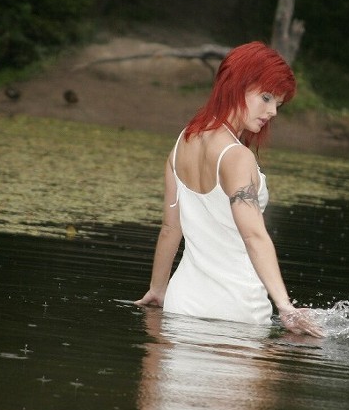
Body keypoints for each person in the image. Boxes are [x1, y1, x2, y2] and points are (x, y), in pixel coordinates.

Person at [135, 41, 323, 338]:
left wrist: (158, 289)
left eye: (278, 104)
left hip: (182, 304)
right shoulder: (237, 157)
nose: (273, 111)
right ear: (237, 84)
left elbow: (171, 229)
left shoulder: (183, 141)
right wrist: (285, 306)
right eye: (266, 97)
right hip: (236, 310)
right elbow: (253, 234)